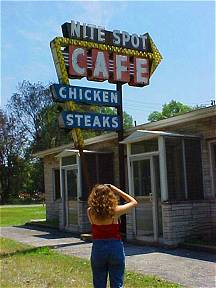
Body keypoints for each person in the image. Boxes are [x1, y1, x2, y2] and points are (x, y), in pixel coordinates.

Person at [87, 184, 137, 288]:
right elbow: (133, 202)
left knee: (99, 283)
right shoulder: (114, 211)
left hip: (98, 248)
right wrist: (116, 190)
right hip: (115, 247)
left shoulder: (90, 212)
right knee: (117, 283)